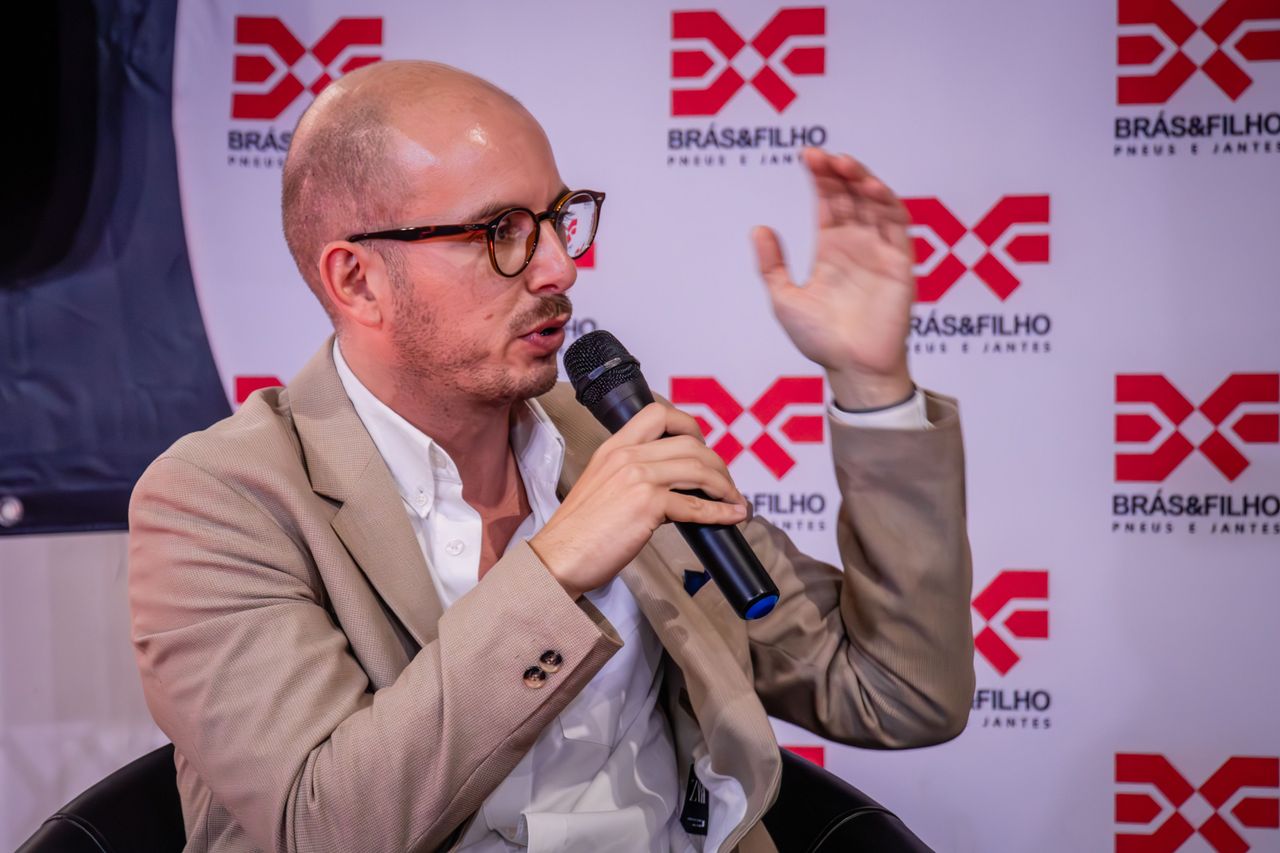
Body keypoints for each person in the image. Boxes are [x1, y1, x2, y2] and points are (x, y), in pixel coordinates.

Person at [127, 60, 974, 853]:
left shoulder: (607, 433)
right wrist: (557, 565)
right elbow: (325, 826)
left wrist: (873, 386)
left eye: (560, 219)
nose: (562, 267)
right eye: (503, 231)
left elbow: (898, 694)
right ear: (357, 280)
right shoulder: (217, 501)